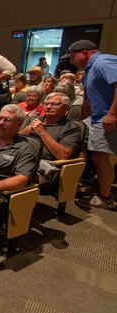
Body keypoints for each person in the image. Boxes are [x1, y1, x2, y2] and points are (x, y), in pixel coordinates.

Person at [61, 40, 117, 210]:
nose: (71, 61)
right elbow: (87, 99)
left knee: (100, 157)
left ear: (85, 53)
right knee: (82, 147)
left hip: (106, 118)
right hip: (95, 118)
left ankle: (105, 197)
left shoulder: (103, 62)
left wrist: (112, 114)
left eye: (72, 56)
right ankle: (76, 183)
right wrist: (81, 123)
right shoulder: (88, 71)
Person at [19, 92, 82, 183]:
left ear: (66, 108)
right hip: (21, 158)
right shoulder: (33, 120)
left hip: (44, 168)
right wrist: (27, 130)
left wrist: (42, 132)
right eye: (46, 104)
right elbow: (13, 139)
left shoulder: (71, 128)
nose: (48, 107)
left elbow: (63, 155)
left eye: (54, 104)